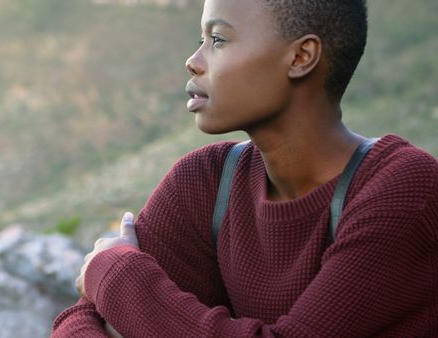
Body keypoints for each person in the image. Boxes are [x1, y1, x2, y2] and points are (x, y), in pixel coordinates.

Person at [52, 0, 438, 336]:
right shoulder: (205, 181)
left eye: (218, 40)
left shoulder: (405, 190)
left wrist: (115, 272)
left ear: (301, 57)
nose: (193, 61)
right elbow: (78, 321)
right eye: (201, 40)